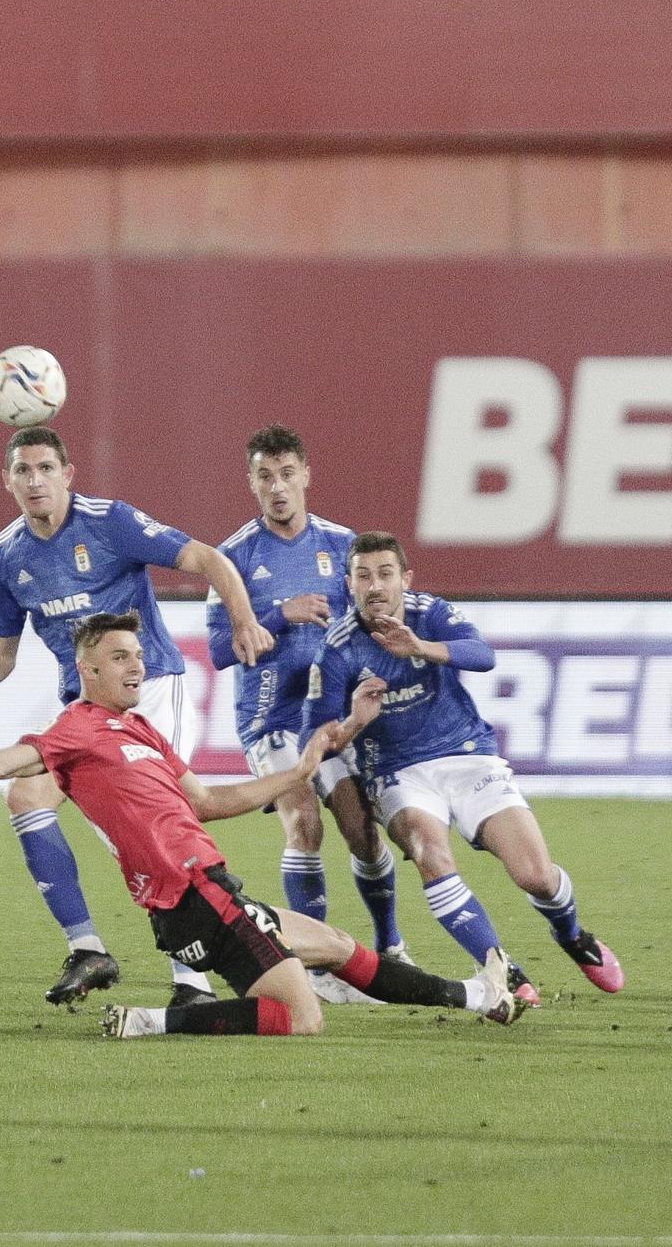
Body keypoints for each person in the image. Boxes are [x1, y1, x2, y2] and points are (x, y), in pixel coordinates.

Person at [0, 611, 518, 1037]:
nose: (136, 666)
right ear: (88, 672)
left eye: (138, 656)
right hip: (191, 893)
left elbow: (209, 801)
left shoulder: (143, 731)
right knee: (303, 1016)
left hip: (206, 890)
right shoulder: (74, 733)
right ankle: (153, 1021)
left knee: (337, 947)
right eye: (120, 658)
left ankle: (478, 995)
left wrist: (304, 768)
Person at [0, 425, 274, 1009]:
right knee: (26, 799)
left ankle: (193, 982)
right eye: (23, 471)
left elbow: (208, 559)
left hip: (151, 690)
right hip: (84, 709)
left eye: (45, 468)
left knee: (151, 830)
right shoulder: (5, 557)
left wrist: (243, 619)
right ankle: (87, 946)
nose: (34, 480)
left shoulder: (109, 522)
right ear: (8, 481)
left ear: (68, 474)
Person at [305, 532, 620, 1005]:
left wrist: (421, 648)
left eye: (385, 574)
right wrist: (353, 722)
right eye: (363, 575)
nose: (375, 586)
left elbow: (483, 655)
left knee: (536, 874)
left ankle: (572, 934)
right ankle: (503, 970)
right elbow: (318, 739)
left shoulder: (430, 614)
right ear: (348, 584)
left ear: (405, 579)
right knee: (431, 855)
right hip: (398, 774)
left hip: (468, 756)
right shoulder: (337, 649)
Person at [205, 424, 406, 1004]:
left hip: (333, 711)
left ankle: (390, 946)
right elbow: (221, 650)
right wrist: (276, 615)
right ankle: (316, 971)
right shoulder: (233, 559)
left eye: (287, 474)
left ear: (306, 476)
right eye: (265, 476)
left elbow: (372, 618)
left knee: (361, 831)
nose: (278, 487)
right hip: (271, 717)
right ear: (251, 483)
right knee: (303, 821)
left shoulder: (344, 547)